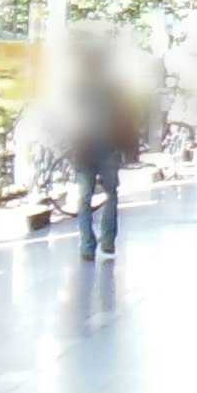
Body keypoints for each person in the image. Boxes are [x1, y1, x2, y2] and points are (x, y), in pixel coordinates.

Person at [59, 44, 131, 261]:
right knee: (111, 194)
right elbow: (122, 115)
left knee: (84, 197)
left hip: (84, 145)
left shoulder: (75, 87)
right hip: (108, 144)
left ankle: (86, 245)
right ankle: (108, 240)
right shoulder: (113, 86)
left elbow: (68, 118)